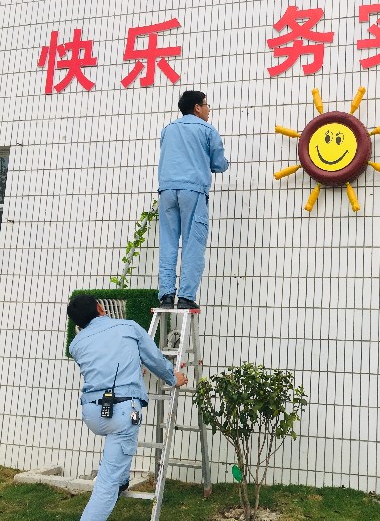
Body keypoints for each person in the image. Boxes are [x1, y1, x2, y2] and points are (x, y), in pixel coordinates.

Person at [67, 294, 188, 520]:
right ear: (100, 308)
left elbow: (103, 364)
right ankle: (113, 484)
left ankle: (122, 481)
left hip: (92, 412)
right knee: (106, 483)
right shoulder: (128, 327)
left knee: (118, 449)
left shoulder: (76, 344)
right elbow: (154, 359)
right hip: (122, 411)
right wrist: (174, 378)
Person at [158, 90, 229, 309]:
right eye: (206, 105)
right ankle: (186, 297)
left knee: (168, 242)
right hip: (193, 190)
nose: (208, 110)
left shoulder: (168, 129)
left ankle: (166, 295)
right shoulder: (207, 129)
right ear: (197, 108)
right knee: (193, 243)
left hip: (167, 190)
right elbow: (219, 164)